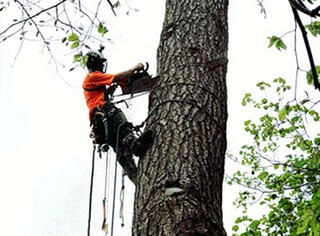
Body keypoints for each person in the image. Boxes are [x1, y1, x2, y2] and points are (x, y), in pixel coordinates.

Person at [83, 48, 153, 185]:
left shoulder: (94, 82)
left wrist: (108, 92)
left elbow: (97, 95)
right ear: (95, 63)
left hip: (100, 126)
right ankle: (135, 145)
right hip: (104, 113)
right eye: (100, 63)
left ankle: (137, 179)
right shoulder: (92, 77)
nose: (102, 66)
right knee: (122, 125)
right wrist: (135, 69)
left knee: (121, 151)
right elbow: (117, 77)